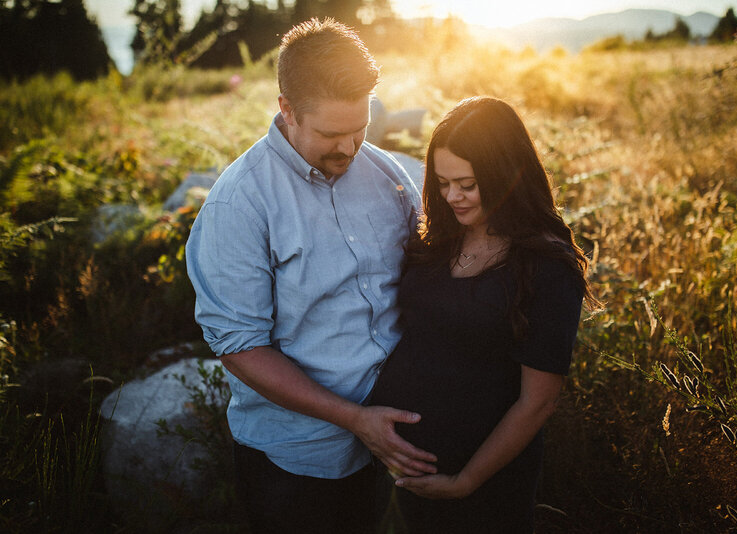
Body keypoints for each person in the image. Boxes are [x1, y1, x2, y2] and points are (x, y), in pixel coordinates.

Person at [185, 18, 437, 534]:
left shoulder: (387, 173)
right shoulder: (240, 203)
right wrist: (354, 420)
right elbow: (241, 347)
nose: (349, 149)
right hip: (294, 458)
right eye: (329, 134)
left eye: (359, 128)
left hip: (394, 444)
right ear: (286, 109)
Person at [368, 96, 600, 533]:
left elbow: (539, 400)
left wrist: (465, 481)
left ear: (504, 175)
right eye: (441, 182)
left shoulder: (545, 266)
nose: (451, 196)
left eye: (467, 184)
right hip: (401, 474)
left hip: (484, 484)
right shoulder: (436, 241)